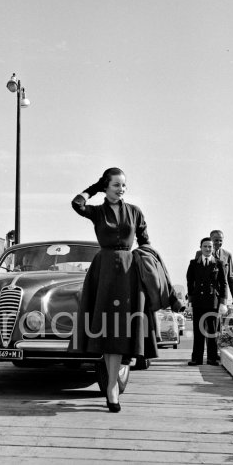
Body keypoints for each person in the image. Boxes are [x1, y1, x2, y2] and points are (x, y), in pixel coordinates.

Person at [69, 167, 157, 412]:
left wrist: (148, 265)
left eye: (124, 185)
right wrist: (93, 189)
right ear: (106, 187)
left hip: (130, 272)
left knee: (121, 328)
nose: (121, 189)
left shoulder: (135, 212)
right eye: (116, 185)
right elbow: (76, 204)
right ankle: (112, 387)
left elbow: (145, 241)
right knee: (108, 329)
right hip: (104, 271)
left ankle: (111, 384)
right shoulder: (97, 212)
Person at [187, 237, 227, 366]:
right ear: (201, 248)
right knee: (198, 330)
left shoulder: (218, 263)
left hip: (213, 302)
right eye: (205, 246)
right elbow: (190, 283)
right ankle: (196, 358)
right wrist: (190, 300)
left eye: (210, 246)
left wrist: (223, 302)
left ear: (213, 248)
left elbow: (223, 284)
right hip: (198, 301)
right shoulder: (194, 263)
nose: (208, 249)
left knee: (212, 331)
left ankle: (212, 358)